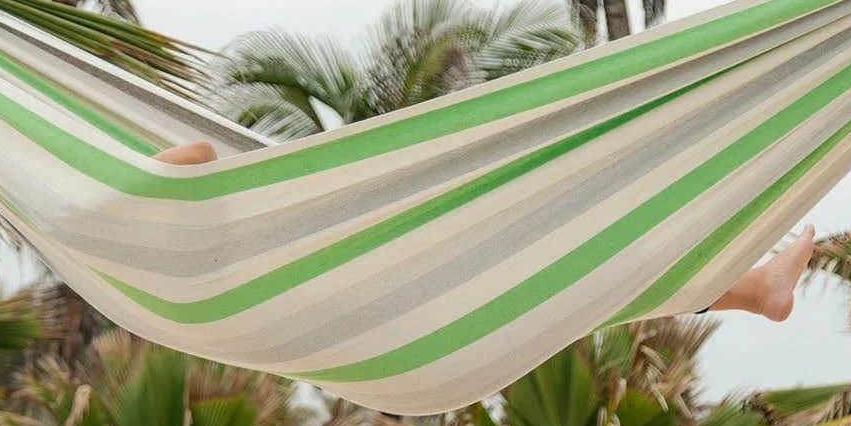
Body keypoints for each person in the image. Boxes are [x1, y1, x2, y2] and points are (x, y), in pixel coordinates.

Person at [151, 139, 817, 322]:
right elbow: (200, 155)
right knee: (570, 268)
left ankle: (754, 290)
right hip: (357, 285)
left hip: (350, 279)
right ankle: (753, 289)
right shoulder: (101, 205)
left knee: (577, 282)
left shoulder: (143, 258)